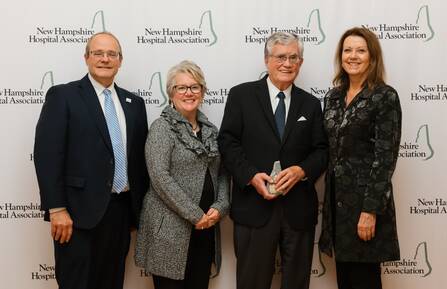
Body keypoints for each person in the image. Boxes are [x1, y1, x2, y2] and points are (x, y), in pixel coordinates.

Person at [33, 31, 149, 289]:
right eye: (98, 53)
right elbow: (47, 155)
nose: (105, 59)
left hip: (120, 214)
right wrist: (57, 208)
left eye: (112, 54)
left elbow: (139, 164)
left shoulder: (135, 103)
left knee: (112, 282)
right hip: (76, 215)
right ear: (86, 58)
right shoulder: (63, 96)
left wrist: (136, 214)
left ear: (120, 60)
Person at [218, 32, 328, 289]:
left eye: (293, 57)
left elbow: (322, 151)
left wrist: (302, 171)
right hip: (253, 208)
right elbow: (227, 142)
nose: (287, 64)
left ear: (300, 63)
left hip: (298, 211)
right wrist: (250, 176)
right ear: (267, 59)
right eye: (280, 57)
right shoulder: (241, 96)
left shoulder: (311, 104)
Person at [319, 27, 402, 289]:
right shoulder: (332, 97)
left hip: (365, 205)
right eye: (347, 50)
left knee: (365, 279)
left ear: (372, 56)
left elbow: (385, 158)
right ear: (340, 56)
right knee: (345, 278)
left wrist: (370, 211)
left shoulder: (384, 96)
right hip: (336, 204)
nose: (353, 56)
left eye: (360, 50)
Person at [135, 60, 230, 289]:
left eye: (194, 87)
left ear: (203, 92)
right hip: (170, 232)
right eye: (182, 87)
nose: (189, 93)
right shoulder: (162, 128)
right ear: (171, 93)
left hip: (205, 229)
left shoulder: (211, 130)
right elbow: (159, 178)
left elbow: (222, 174)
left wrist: (221, 205)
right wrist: (195, 215)